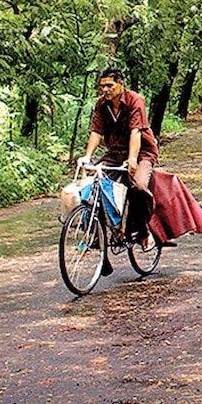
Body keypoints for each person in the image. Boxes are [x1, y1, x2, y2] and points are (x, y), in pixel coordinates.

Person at [80, 67, 160, 266]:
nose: (105, 90)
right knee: (93, 185)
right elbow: (96, 132)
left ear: (121, 84)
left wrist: (133, 159)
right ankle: (98, 236)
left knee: (139, 186)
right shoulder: (101, 105)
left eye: (109, 85)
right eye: (102, 86)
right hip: (114, 154)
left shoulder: (135, 101)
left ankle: (144, 232)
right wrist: (87, 157)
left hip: (141, 153)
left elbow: (136, 132)